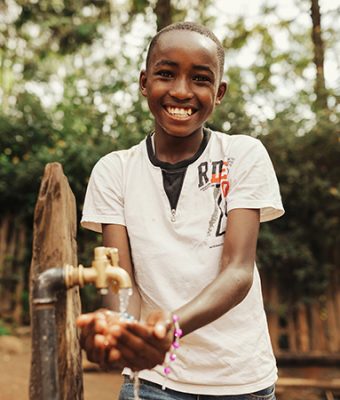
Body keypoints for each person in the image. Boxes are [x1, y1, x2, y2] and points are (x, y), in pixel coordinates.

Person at [78, 21, 284, 400]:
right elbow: (120, 282)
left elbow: (238, 272)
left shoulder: (242, 155)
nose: (181, 91)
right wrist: (119, 331)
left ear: (219, 92)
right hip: (152, 382)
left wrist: (167, 330)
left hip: (241, 381)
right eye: (166, 74)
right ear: (144, 82)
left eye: (200, 79)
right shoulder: (115, 171)